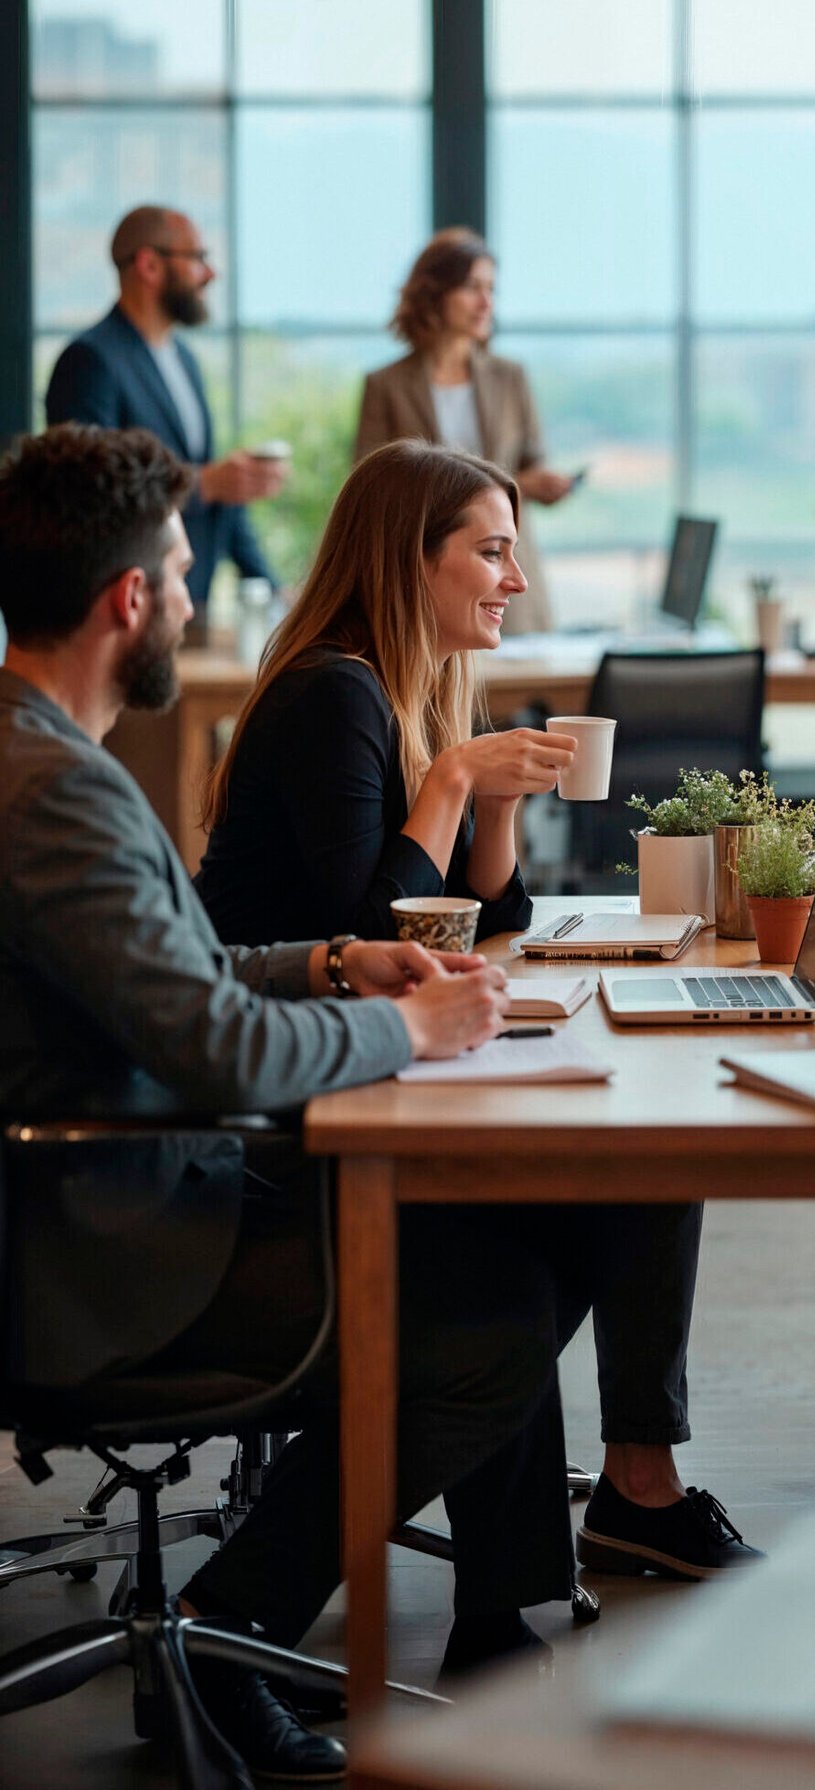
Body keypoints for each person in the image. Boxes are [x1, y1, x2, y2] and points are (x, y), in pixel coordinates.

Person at [0, 423, 580, 1777]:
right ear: (129, 598)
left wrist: (328, 960)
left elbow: (183, 971)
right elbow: (212, 1044)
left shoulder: (44, 757)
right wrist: (404, 1022)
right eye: (185, 572)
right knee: (490, 1318)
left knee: (499, 1250)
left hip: (114, 1187)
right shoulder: (58, 794)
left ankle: (470, 1608)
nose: (198, 599)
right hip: (99, 1241)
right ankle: (219, 1628)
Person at [194, 439, 760, 1582]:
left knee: (642, 1162)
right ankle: (529, 1553)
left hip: (350, 1059)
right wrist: (452, 779)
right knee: (556, 1236)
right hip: (276, 1114)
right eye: (492, 551)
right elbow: (381, 926)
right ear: (413, 560)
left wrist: (493, 804)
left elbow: (485, 911)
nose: (515, 580)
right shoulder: (332, 693)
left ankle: (570, 1541)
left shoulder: (405, 685)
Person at [44, 206, 282, 620]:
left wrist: (275, 592)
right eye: (198, 258)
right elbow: (87, 489)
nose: (210, 274)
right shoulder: (89, 360)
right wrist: (204, 483)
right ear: (149, 265)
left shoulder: (185, 360)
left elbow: (220, 493)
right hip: (124, 611)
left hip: (189, 607)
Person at [355, 227, 575, 634]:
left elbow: (531, 463)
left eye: (491, 288)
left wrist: (542, 484)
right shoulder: (386, 385)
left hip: (506, 579)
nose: (486, 302)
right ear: (435, 293)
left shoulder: (510, 378)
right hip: (425, 578)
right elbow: (371, 490)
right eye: (473, 287)